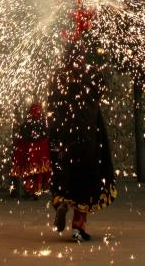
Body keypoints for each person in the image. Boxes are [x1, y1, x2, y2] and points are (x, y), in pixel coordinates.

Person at [48, 42, 117, 242]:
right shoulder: (91, 74)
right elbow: (100, 89)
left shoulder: (58, 76)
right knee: (86, 180)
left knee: (64, 173)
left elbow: (52, 102)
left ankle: (60, 202)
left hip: (63, 135)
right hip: (88, 136)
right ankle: (78, 226)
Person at [10, 103, 52, 197]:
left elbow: (23, 136)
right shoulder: (43, 122)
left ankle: (30, 189)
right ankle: (35, 190)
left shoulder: (27, 123)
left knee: (29, 172)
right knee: (38, 173)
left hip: (30, 151)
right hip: (40, 152)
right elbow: (46, 134)